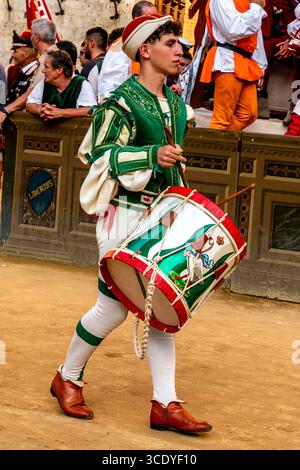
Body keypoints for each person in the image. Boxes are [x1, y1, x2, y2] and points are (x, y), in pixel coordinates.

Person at [50, 14, 213, 435]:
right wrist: (150, 155)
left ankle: (165, 404)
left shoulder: (177, 104)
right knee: (113, 307)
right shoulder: (119, 102)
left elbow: (171, 163)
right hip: (121, 212)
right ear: (145, 50)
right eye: (172, 42)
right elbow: (97, 156)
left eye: (182, 44)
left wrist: (183, 209)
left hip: (160, 217)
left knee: (160, 306)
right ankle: (67, 376)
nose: (182, 50)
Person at [200, 0, 268, 130]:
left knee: (248, 114)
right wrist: (256, 7)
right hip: (228, 59)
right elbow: (233, 30)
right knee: (222, 118)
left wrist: (260, 67)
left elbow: (255, 38)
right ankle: (213, 146)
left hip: (247, 62)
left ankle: (220, 143)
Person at [97, 1, 158, 101]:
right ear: (136, 20)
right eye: (150, 19)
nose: (155, 24)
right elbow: (109, 90)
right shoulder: (120, 48)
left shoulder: (152, 46)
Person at [26, 49, 96, 120]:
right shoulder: (45, 82)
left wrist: (60, 112)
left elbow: (90, 110)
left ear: (59, 70)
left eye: (46, 67)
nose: (43, 70)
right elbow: (29, 104)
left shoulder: (80, 83)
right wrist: (43, 111)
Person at [0, 31, 38, 128]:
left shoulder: (36, 73)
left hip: (24, 127)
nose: (12, 55)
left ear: (25, 54)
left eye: (15, 51)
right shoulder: (22, 72)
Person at [81, 27, 108, 100]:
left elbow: (85, 99)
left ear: (91, 44)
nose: (83, 48)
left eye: (85, 43)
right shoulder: (111, 63)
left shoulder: (90, 67)